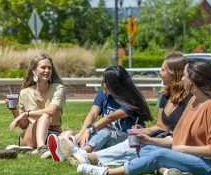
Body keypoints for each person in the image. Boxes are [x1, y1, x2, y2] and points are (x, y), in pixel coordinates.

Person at [77, 59, 211, 175]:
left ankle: (105, 173)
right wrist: (149, 139)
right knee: (144, 149)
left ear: (194, 80)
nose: (182, 78)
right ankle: (173, 171)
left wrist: (183, 149)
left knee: (158, 155)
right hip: (193, 158)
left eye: (186, 75)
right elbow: (176, 139)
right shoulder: (193, 102)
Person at [62, 53, 192, 166]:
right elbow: (160, 126)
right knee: (131, 143)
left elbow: (110, 118)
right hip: (158, 138)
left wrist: (149, 138)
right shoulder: (165, 96)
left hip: (175, 143)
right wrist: (142, 131)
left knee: (130, 145)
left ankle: (85, 156)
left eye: (163, 70)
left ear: (174, 73)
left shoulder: (189, 99)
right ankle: (79, 152)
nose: (159, 73)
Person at [50, 66, 153, 162]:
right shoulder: (102, 95)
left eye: (105, 82)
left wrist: (89, 129)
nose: (102, 84)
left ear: (115, 85)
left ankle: (81, 152)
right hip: (104, 136)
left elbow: (110, 117)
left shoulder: (131, 100)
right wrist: (83, 132)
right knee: (69, 133)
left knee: (106, 131)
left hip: (127, 139)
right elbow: (93, 114)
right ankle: (65, 151)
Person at [8, 54, 67, 158]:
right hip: (32, 135)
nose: (47, 70)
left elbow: (52, 110)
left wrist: (26, 114)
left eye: (49, 68)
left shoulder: (58, 88)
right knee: (44, 117)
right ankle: (41, 148)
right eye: (43, 67)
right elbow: (24, 125)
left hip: (54, 132)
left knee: (70, 134)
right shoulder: (25, 93)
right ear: (34, 70)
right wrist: (13, 109)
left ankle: (32, 152)